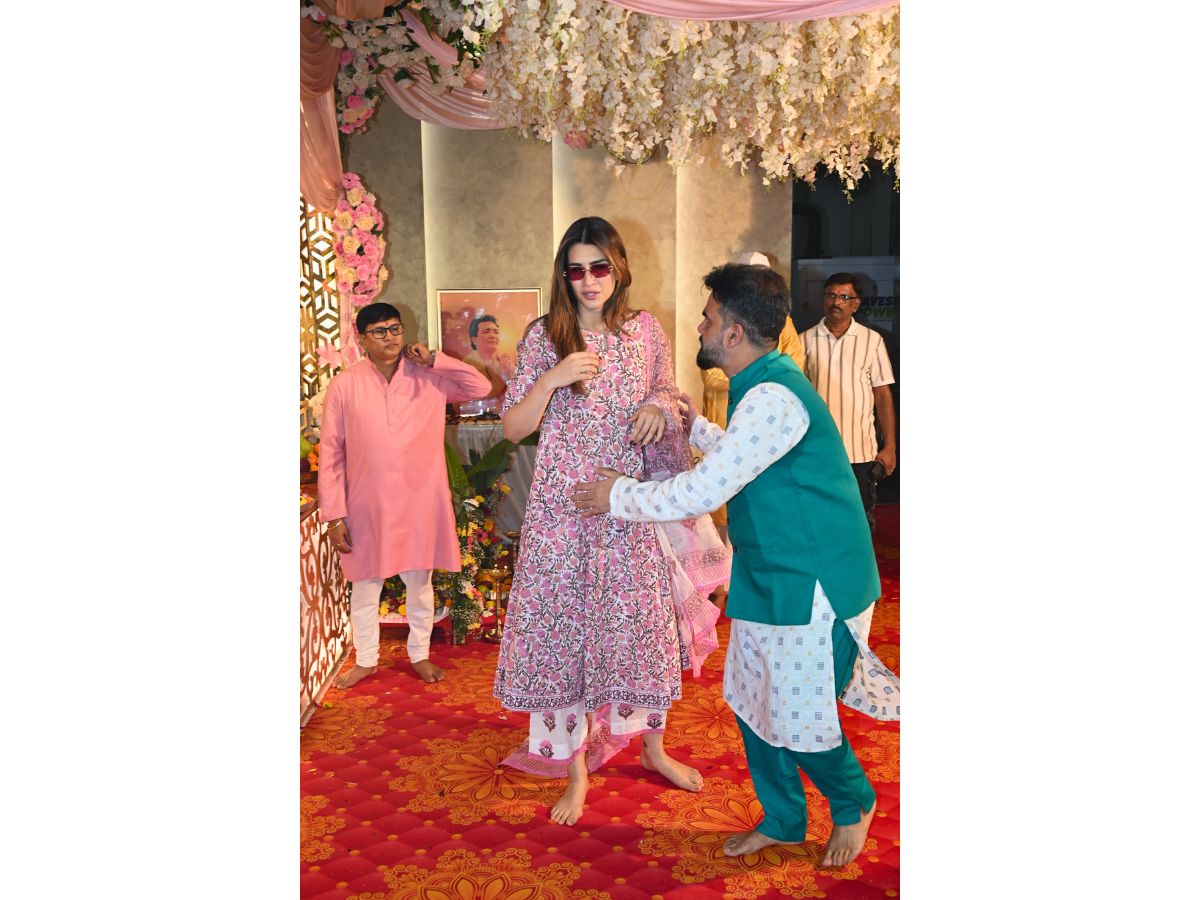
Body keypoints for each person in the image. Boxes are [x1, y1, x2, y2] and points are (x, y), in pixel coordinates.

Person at [571, 263, 900, 868]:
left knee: (800, 714)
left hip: (815, 580)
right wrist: (692, 424)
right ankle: (783, 819)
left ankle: (854, 802)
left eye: (709, 318)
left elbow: (705, 489)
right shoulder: (761, 385)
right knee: (753, 703)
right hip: (772, 571)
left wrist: (616, 495)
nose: (701, 327)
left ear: (734, 332)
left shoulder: (774, 395)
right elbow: (747, 457)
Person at [492, 215, 705, 827]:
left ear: (619, 268)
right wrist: (553, 377)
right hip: (562, 513)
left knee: (639, 627)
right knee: (569, 633)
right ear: (564, 275)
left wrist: (657, 406)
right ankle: (577, 769)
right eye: (576, 270)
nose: (589, 280)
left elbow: (669, 392)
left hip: (627, 505)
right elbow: (513, 427)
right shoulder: (545, 336)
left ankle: (653, 749)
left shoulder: (645, 330)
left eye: (600, 267)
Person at [319, 302, 492, 688]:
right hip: (367, 503)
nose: (390, 337)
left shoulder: (427, 376)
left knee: (420, 584)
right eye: (379, 331)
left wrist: (434, 359)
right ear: (362, 339)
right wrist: (334, 514)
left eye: (395, 328)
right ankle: (366, 659)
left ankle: (419, 654)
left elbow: (480, 387)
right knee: (365, 585)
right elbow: (331, 453)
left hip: (419, 501)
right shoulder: (345, 385)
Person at [798, 273, 896, 528]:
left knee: (859, 520)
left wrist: (890, 447)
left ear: (856, 304)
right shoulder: (804, 340)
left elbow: (883, 395)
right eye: (831, 295)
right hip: (817, 450)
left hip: (859, 451)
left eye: (844, 297)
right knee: (818, 519)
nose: (836, 302)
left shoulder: (872, 341)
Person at [460, 314, 515, 415]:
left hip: (506, 420)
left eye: (496, 332)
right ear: (474, 339)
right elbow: (461, 403)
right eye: (486, 331)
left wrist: (511, 375)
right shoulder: (467, 364)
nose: (493, 336)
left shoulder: (505, 364)